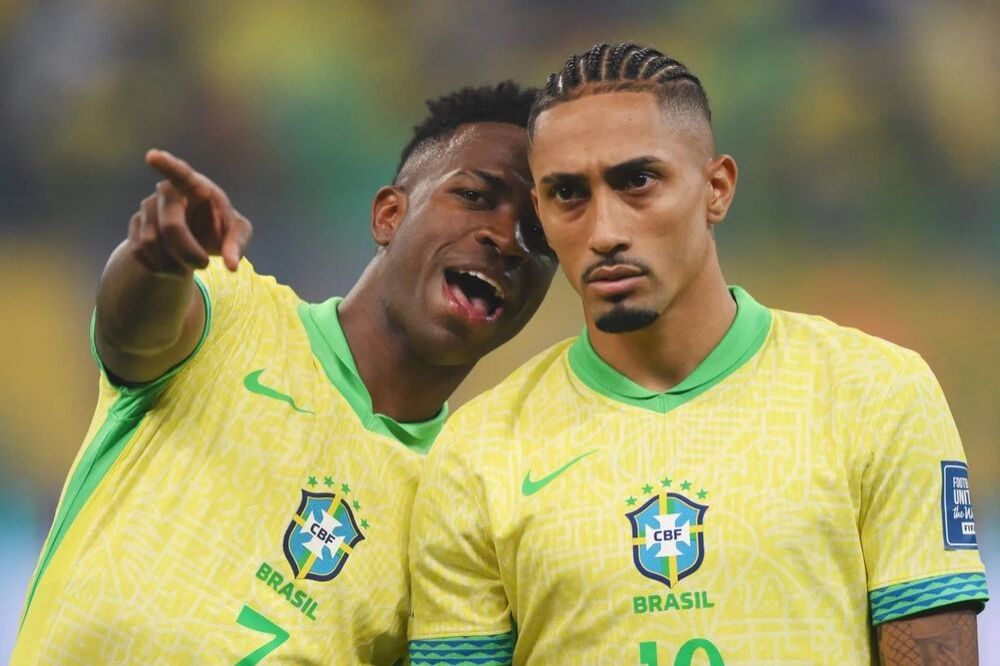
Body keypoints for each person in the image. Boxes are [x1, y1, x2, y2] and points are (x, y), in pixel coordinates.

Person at [407, 44, 988, 665]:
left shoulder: (876, 392)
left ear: (716, 188)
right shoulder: (478, 452)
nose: (605, 232)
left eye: (637, 181)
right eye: (568, 193)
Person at [12, 81, 557, 665]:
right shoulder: (233, 311)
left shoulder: (456, 505)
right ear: (389, 215)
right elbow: (131, 334)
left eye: (539, 233)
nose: (507, 240)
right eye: (475, 196)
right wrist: (159, 261)